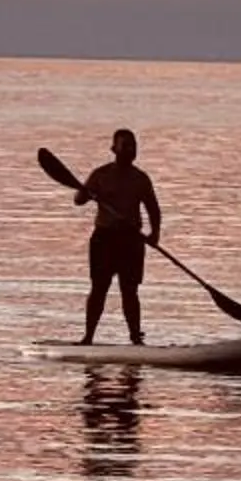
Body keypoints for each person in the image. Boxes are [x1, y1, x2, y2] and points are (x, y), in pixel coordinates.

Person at [76, 128, 161, 344]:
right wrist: (89, 193)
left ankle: (135, 337)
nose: (130, 150)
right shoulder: (100, 175)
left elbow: (153, 209)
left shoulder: (140, 179)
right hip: (104, 239)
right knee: (99, 289)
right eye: (125, 146)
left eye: (133, 146)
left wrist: (154, 234)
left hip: (131, 241)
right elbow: (78, 200)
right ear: (114, 149)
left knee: (130, 291)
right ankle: (88, 338)